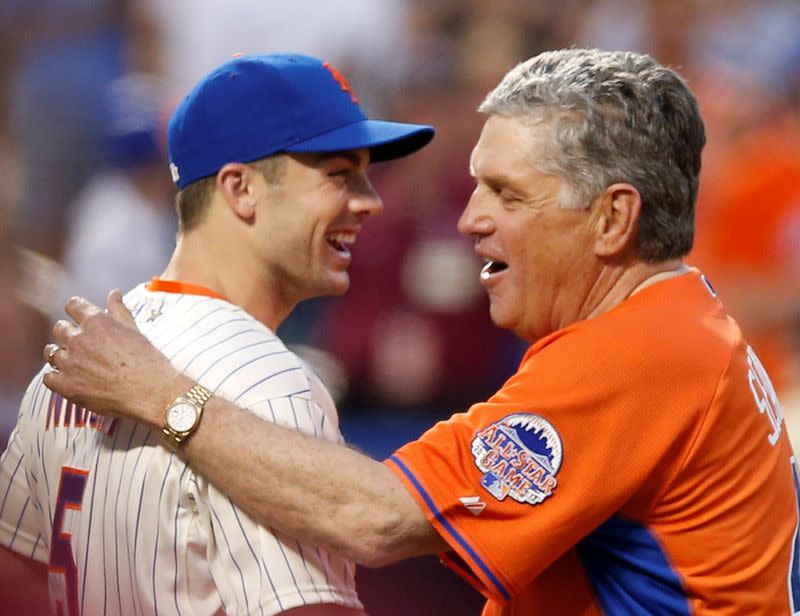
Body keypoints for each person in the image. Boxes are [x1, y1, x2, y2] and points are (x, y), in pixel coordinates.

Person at [41, 48, 798, 614]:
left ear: (612, 218)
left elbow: (377, 517)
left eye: (507, 193)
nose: (471, 218)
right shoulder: (681, 324)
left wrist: (161, 393)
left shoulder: (642, 350)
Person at [0, 52, 433, 615]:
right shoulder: (268, 384)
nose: (370, 200)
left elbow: (15, 576)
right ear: (241, 189)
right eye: (339, 174)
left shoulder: (76, 360)